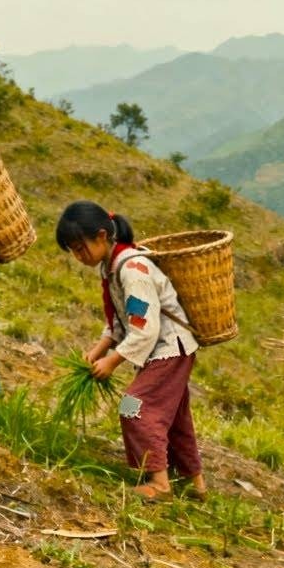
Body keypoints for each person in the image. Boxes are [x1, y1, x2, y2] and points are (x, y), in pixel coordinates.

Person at [56, 200, 206, 500]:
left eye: (80, 247)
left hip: (168, 350)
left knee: (133, 406)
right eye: (73, 250)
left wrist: (113, 360)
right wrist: (100, 348)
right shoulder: (111, 267)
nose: (78, 256)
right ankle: (195, 484)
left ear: (101, 236)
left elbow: (145, 326)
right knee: (175, 418)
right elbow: (121, 319)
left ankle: (159, 483)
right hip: (164, 350)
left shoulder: (132, 270)